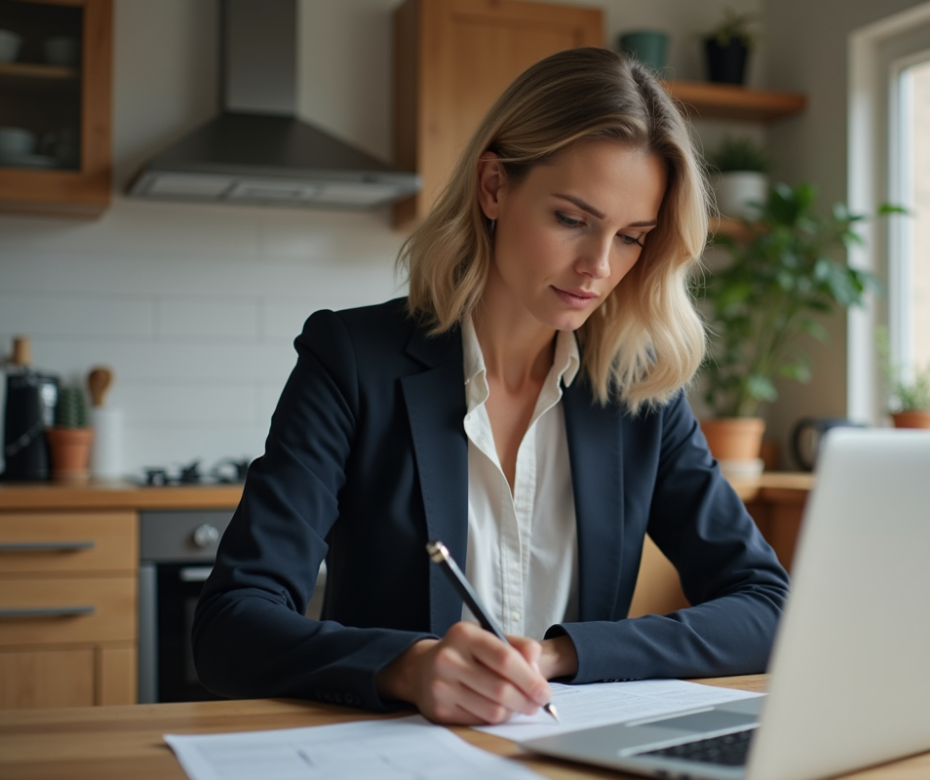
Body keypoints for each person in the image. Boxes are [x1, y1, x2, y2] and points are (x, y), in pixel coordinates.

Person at [193, 47, 789, 725]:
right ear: (494, 187)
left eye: (632, 236)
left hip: (568, 755)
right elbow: (228, 627)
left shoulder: (637, 391)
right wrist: (407, 667)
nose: (598, 266)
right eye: (572, 220)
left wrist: (562, 655)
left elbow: (768, 606)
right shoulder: (352, 361)